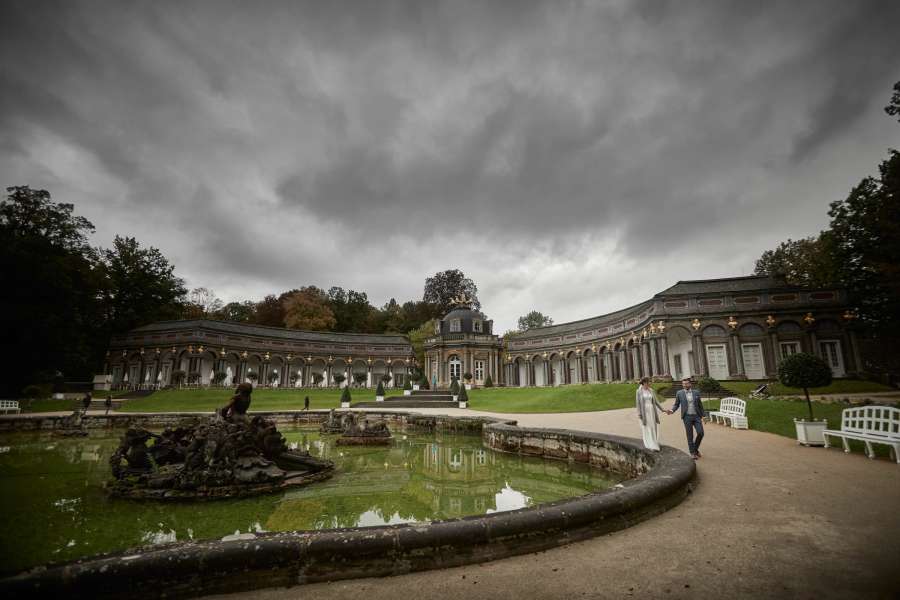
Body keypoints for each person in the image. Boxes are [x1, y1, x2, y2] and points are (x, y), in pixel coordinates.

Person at [670, 377, 707, 459]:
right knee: (690, 435)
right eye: (683, 384)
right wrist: (672, 410)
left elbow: (700, 405)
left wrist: (704, 415)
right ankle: (692, 452)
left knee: (701, 433)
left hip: (697, 416)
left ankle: (695, 449)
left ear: (690, 384)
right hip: (686, 417)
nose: (684, 385)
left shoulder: (696, 392)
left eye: (686, 383)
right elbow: (676, 404)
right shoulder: (679, 393)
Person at [635, 377, 666, 451]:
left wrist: (663, 409)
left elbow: (656, 401)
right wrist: (639, 413)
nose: (650, 383)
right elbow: (638, 403)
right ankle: (650, 444)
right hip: (644, 412)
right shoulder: (638, 391)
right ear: (644, 383)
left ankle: (654, 441)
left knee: (653, 426)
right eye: (648, 382)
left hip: (652, 411)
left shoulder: (651, 390)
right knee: (647, 427)